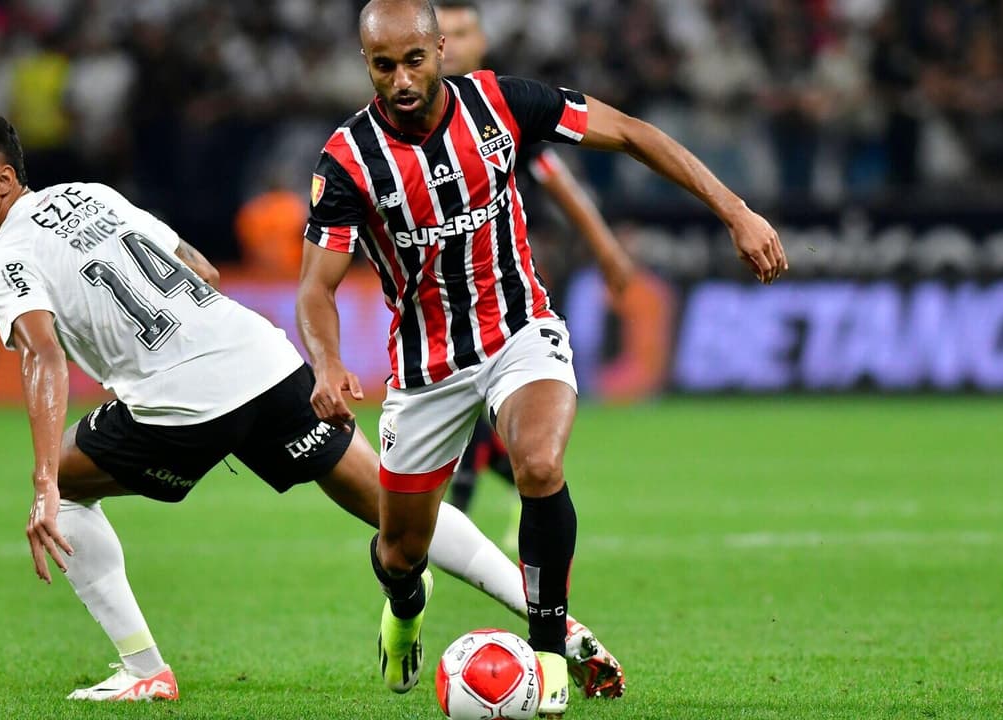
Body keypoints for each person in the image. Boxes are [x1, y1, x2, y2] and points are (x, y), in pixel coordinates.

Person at [0, 109, 624, 702]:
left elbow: (43, 356)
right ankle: (560, 628)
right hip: (261, 359)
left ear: (4, 180)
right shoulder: (93, 194)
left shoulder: (0, 258)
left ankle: (144, 671)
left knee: (66, 491)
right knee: (396, 505)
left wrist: (43, 480)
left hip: (179, 408)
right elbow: (201, 267)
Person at [297, 1, 787, 716]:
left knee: (539, 464)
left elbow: (632, 133)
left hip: (519, 330)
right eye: (383, 66)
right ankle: (406, 602)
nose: (401, 80)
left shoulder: (501, 103)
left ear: (439, 50)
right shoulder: (347, 160)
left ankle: (550, 657)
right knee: (401, 550)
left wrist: (735, 210)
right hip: (426, 367)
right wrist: (326, 363)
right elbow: (317, 285)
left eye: (414, 60)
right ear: (365, 64)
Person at [435, 0, 635, 546]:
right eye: (445, 33)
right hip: (436, 302)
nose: (453, 44)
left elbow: (556, 178)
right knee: (476, 418)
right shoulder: (403, 118)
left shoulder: (496, 111)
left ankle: (468, 508)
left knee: (492, 410)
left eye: (463, 32)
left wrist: (607, 249)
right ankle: (489, 493)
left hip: (505, 289)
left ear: (480, 43)